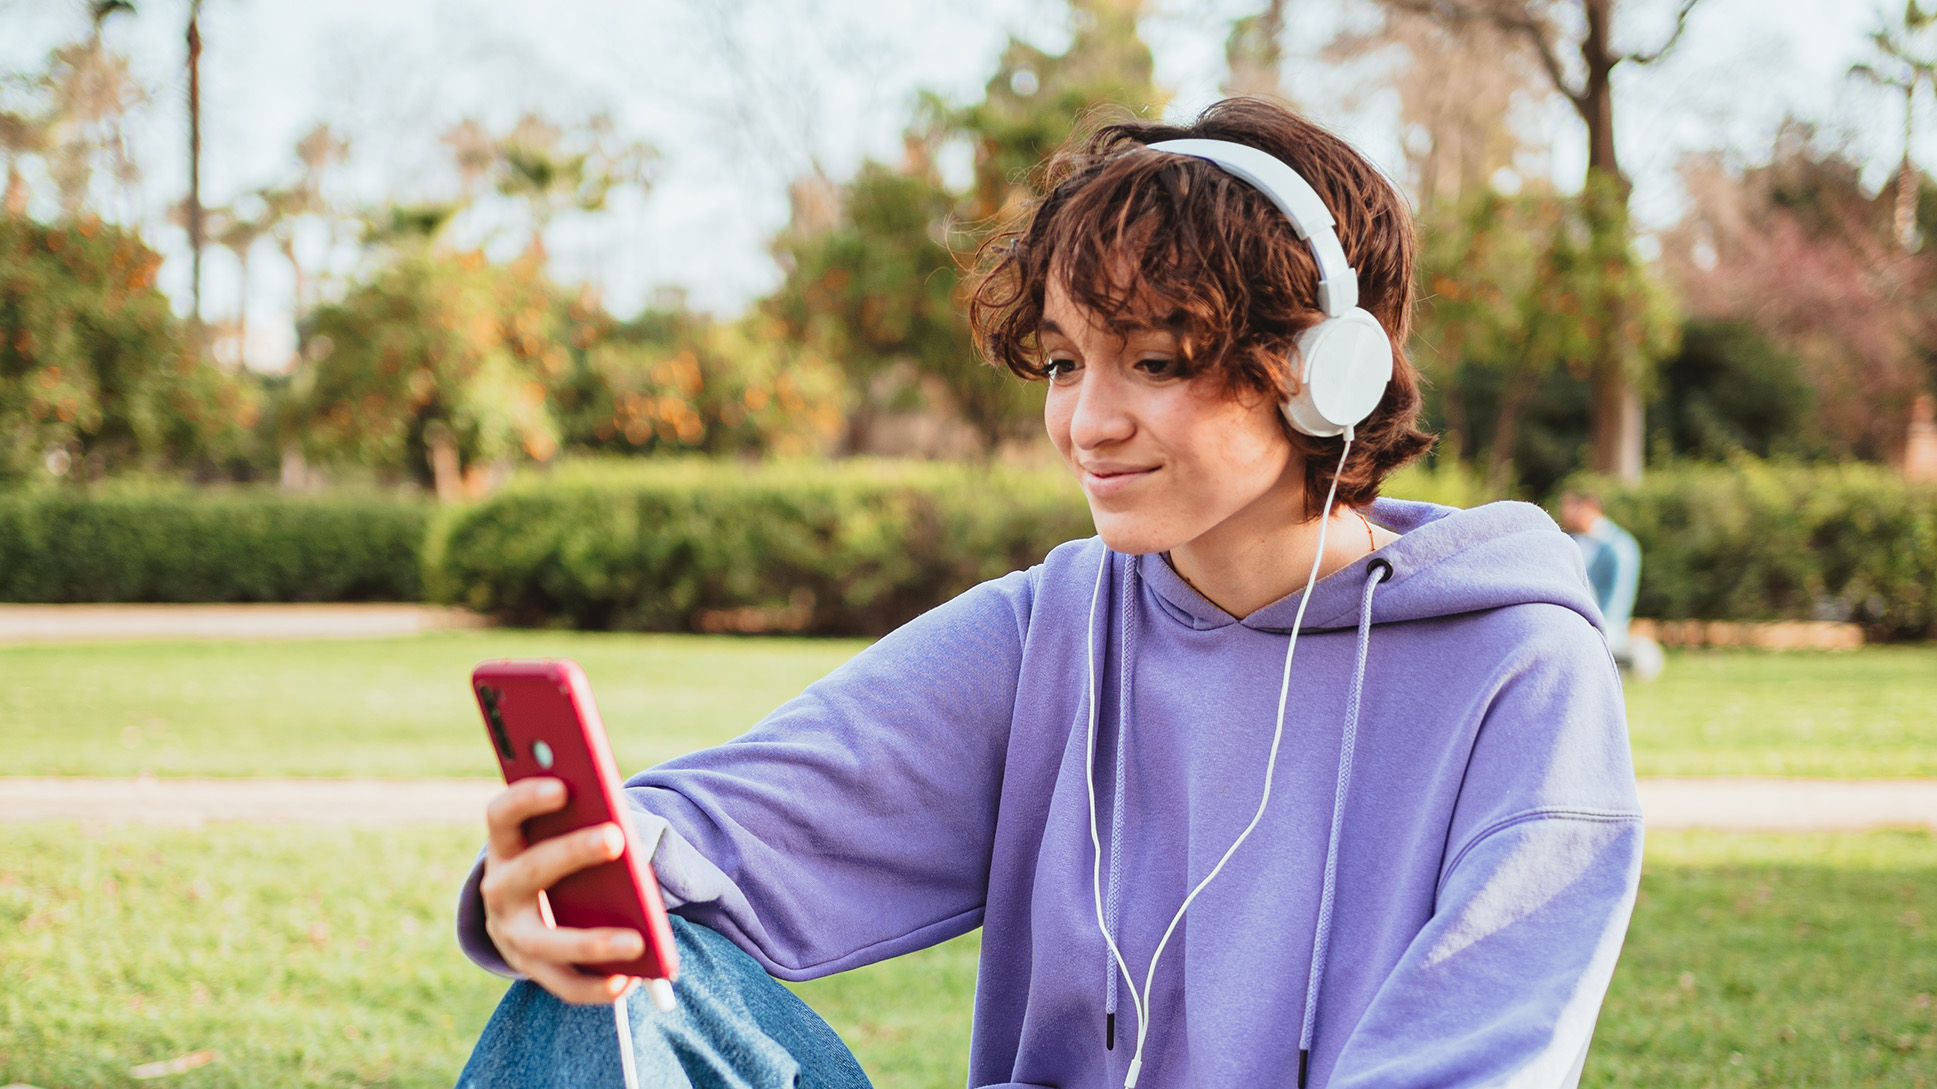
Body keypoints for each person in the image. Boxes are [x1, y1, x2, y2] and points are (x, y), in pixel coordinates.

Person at [453, 98, 1643, 1089]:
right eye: (1067, 361)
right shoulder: (1045, 631)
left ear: (1328, 373)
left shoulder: (1514, 668)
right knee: (595, 988)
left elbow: (1471, 1056)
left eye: (1156, 362)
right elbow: (725, 833)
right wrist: (568, 880)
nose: (1086, 420)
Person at [1557, 491, 1657, 679]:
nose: (1564, 516)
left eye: (1570, 509)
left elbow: (1618, 600)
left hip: (1606, 626)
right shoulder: (1577, 541)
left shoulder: (1619, 547)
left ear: (1588, 507)